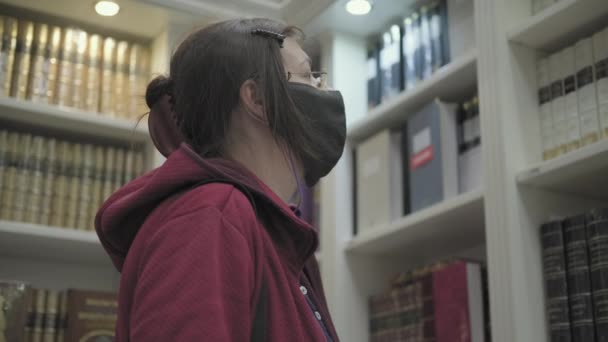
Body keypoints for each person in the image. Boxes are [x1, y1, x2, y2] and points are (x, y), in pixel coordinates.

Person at [95, 18, 346, 341]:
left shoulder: (278, 236)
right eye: (309, 75)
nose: (323, 88)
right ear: (258, 100)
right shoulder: (210, 215)